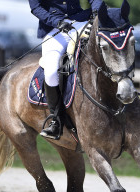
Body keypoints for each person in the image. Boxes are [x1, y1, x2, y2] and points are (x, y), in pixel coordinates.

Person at [28, 0, 103, 139]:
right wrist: (56, 22)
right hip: (55, 28)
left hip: (81, 22)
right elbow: (36, 7)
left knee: (109, 47)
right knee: (50, 71)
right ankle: (56, 119)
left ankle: (130, 102)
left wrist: (97, 11)